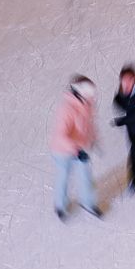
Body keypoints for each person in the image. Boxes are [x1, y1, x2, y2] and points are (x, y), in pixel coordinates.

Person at [51, 75, 99, 220]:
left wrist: (94, 139)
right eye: (88, 90)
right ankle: (60, 205)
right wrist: (76, 150)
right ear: (78, 90)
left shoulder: (88, 104)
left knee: (85, 177)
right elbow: (60, 135)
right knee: (63, 177)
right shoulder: (66, 109)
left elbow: (89, 125)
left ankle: (88, 202)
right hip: (62, 151)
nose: (92, 94)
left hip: (80, 148)